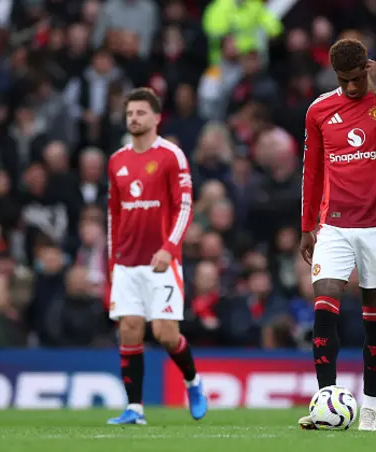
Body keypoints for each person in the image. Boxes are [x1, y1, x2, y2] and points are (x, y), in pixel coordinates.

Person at [298, 39, 376, 431]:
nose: (351, 88)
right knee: (324, 304)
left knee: (374, 320)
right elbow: (312, 171)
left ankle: (369, 411)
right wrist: (306, 226)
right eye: (343, 80)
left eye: (356, 79)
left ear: (369, 67)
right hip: (334, 226)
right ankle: (325, 405)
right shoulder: (319, 110)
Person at [106, 88, 208, 425]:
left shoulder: (171, 156)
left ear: (156, 117)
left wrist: (170, 247)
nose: (134, 118)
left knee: (165, 334)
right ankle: (135, 408)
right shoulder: (117, 161)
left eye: (140, 113)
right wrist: (112, 264)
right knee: (130, 331)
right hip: (126, 262)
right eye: (130, 114)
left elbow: (185, 206)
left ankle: (193, 382)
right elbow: (113, 216)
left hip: (160, 262)